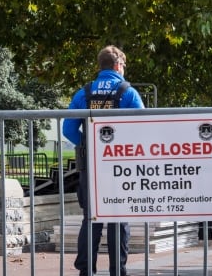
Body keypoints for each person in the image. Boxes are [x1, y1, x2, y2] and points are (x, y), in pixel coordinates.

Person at [62, 45, 145, 276]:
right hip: (120, 167)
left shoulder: (83, 93)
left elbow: (68, 129)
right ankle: (117, 270)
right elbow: (143, 126)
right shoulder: (128, 92)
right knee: (119, 220)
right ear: (118, 66)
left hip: (92, 166)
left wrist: (89, 146)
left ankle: (86, 271)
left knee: (91, 218)